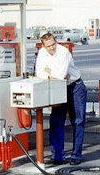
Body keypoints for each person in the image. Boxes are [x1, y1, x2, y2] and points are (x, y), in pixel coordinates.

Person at [35, 33, 87, 166]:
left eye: (53, 44)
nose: (52, 48)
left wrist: (49, 71)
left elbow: (60, 74)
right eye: (49, 46)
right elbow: (39, 73)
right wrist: (55, 74)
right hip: (59, 87)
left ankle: (76, 155)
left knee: (78, 121)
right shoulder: (42, 53)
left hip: (74, 86)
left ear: (55, 41)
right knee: (56, 121)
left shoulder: (63, 52)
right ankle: (57, 156)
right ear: (43, 46)